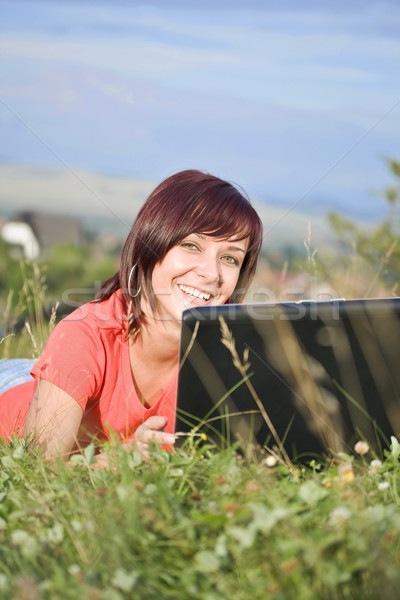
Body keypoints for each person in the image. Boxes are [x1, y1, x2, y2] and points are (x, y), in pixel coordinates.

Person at [0, 170, 263, 464]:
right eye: (191, 245)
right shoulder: (87, 334)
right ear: (151, 243)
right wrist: (123, 459)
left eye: (230, 258)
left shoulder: (226, 357)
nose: (211, 273)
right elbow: (40, 467)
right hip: (10, 389)